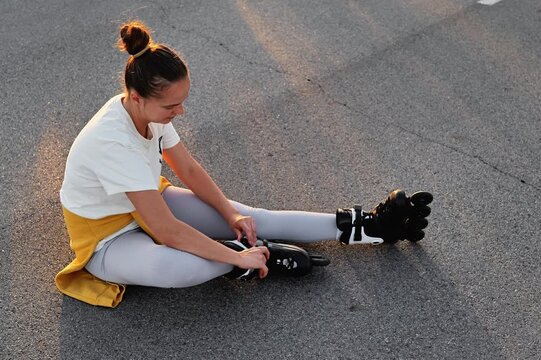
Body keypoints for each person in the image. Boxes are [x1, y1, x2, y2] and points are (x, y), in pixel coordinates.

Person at [55, 21, 432, 308]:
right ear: (136, 98)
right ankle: (252, 256)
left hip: (149, 202)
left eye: (182, 101)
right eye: (171, 106)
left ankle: (366, 226)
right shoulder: (112, 140)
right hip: (106, 239)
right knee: (182, 268)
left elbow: (188, 170)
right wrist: (237, 255)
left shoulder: (149, 113)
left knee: (252, 216)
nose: (180, 111)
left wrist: (231, 215)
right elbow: (168, 231)